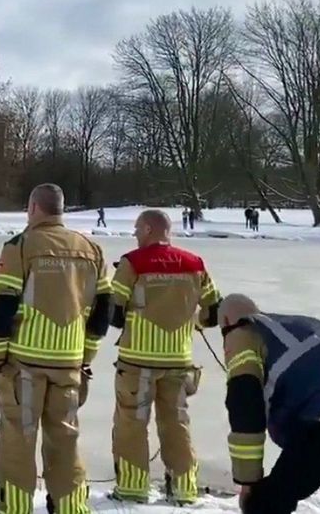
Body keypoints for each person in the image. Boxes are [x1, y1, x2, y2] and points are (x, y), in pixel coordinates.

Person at [0, 183, 113, 514]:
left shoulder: (20, 246)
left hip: (24, 364)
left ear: (32, 208)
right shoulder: (92, 249)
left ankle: (15, 507)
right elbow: (104, 312)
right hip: (69, 363)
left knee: (18, 437)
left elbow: (3, 305)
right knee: (65, 438)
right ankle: (69, 506)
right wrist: (86, 355)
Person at [107, 209, 222, 504]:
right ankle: (184, 489)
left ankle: (132, 488)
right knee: (176, 424)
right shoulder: (195, 263)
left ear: (148, 229)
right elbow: (214, 311)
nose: (135, 234)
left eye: (137, 229)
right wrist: (192, 320)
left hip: (136, 360)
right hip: (179, 360)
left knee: (132, 424)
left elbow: (113, 313)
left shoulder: (133, 262)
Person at [219, 294, 320, 514]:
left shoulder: (242, 334)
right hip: (315, 420)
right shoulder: (294, 326)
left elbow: (245, 404)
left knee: (266, 502)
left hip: (318, 423)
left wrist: (248, 481)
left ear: (227, 321)